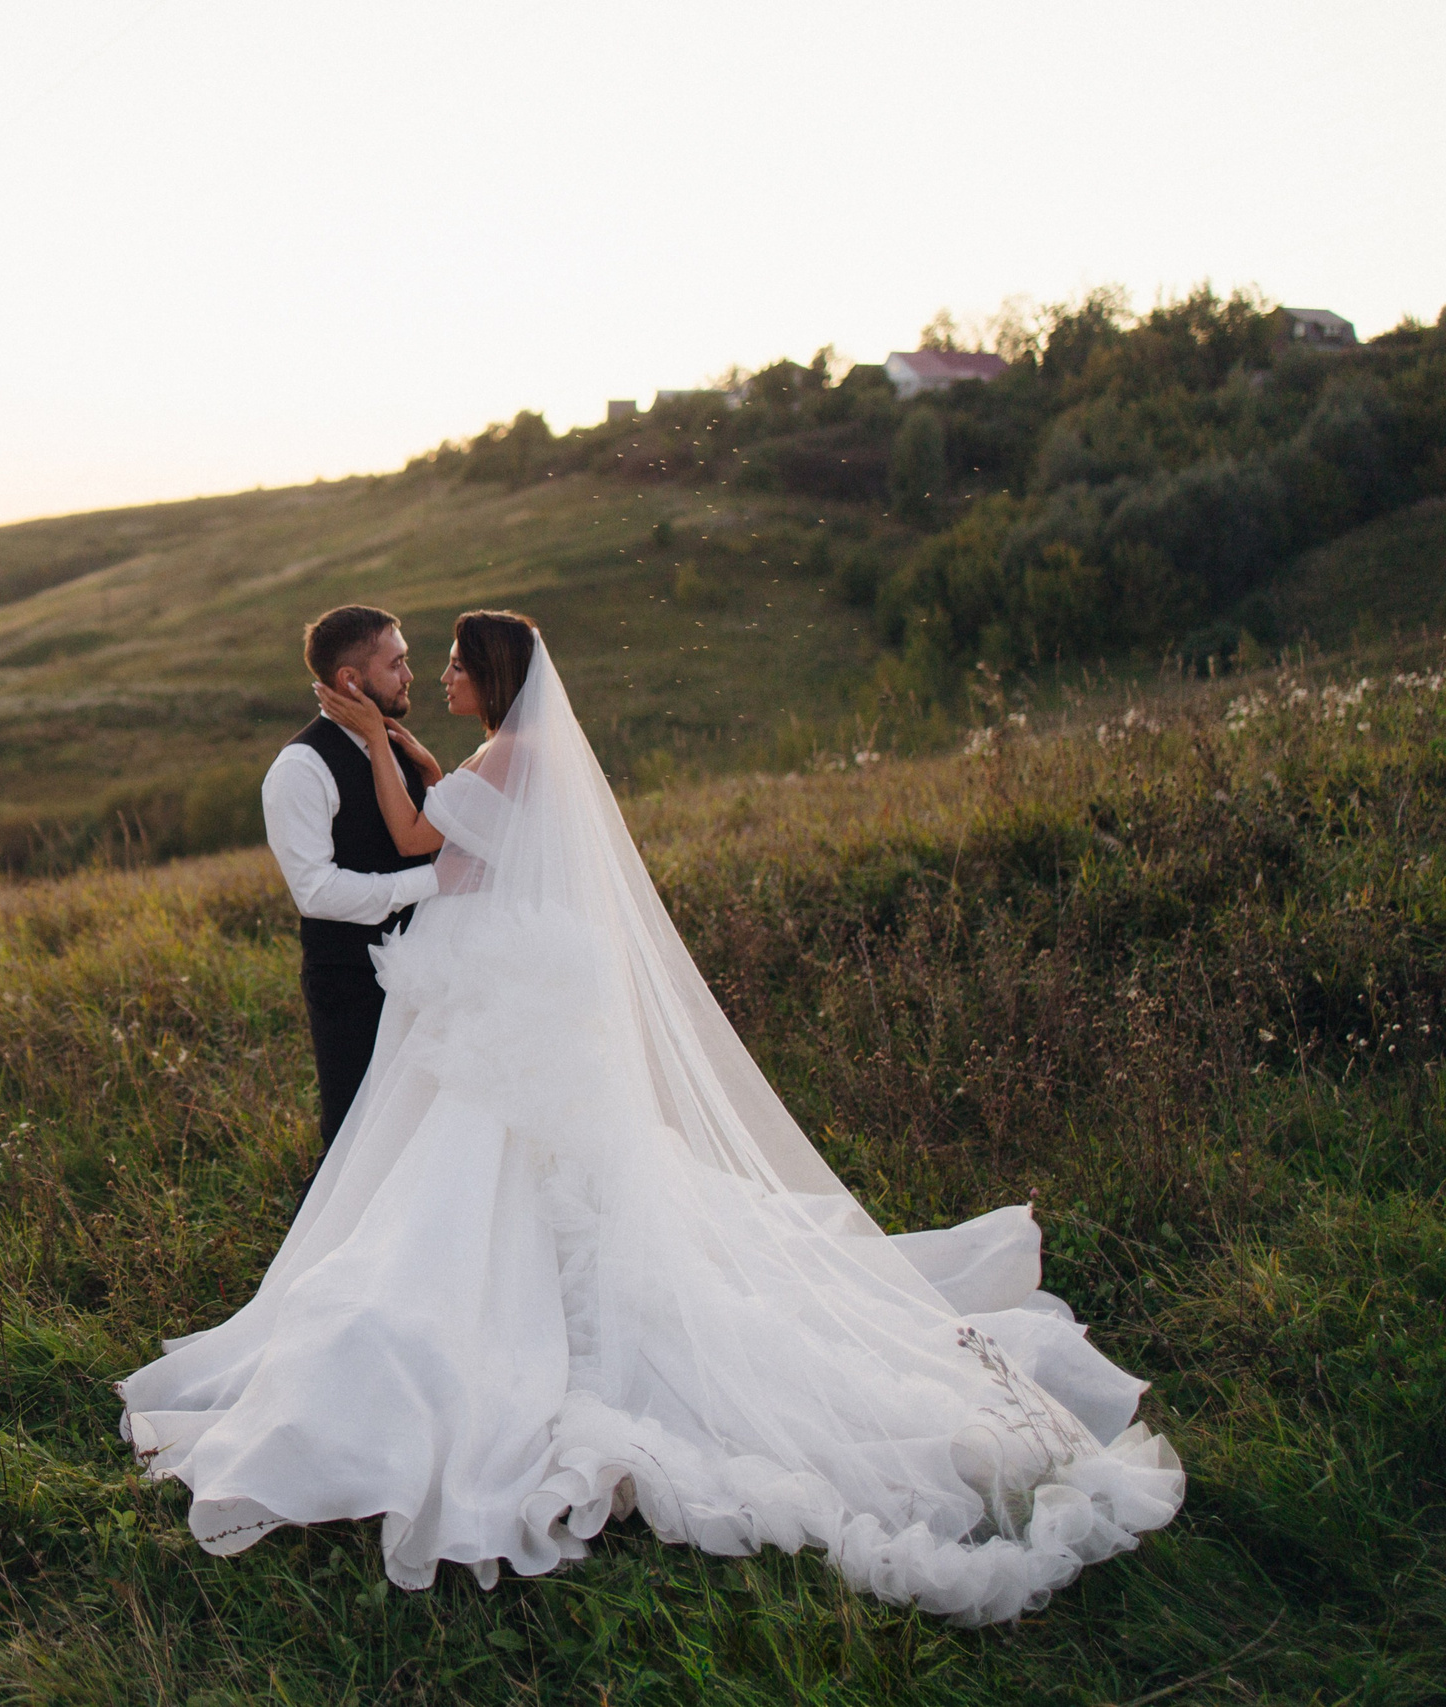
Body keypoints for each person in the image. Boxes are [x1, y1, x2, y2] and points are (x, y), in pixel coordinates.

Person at [119, 610, 1183, 1625]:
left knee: (479, 1176)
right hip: (517, 996)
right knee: (546, 1177)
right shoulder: (514, 760)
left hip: (488, 1001)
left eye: (445, 663)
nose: (432, 676)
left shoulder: (493, 762)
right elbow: (421, 853)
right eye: (411, 662)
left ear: (488, 679)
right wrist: (390, 746)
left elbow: (416, 837)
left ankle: (482, 1324)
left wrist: (380, 744)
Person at [261, 605, 442, 1157]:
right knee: (356, 1144)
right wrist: (429, 884)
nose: (410, 674)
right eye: (397, 663)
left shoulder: (395, 745)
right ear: (351, 680)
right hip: (354, 986)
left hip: (430, 971)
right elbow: (316, 891)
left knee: (429, 1133)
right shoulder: (300, 769)